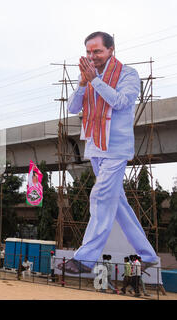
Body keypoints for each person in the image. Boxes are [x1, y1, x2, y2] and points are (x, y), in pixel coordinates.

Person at [59, 31, 159, 275]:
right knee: (119, 205)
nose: (92, 56)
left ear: (111, 50)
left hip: (116, 149)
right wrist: (84, 83)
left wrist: (95, 81)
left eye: (98, 51)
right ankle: (148, 255)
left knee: (100, 198)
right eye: (89, 52)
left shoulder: (128, 74)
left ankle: (85, 259)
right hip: (94, 147)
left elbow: (122, 102)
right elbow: (73, 107)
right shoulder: (90, 76)